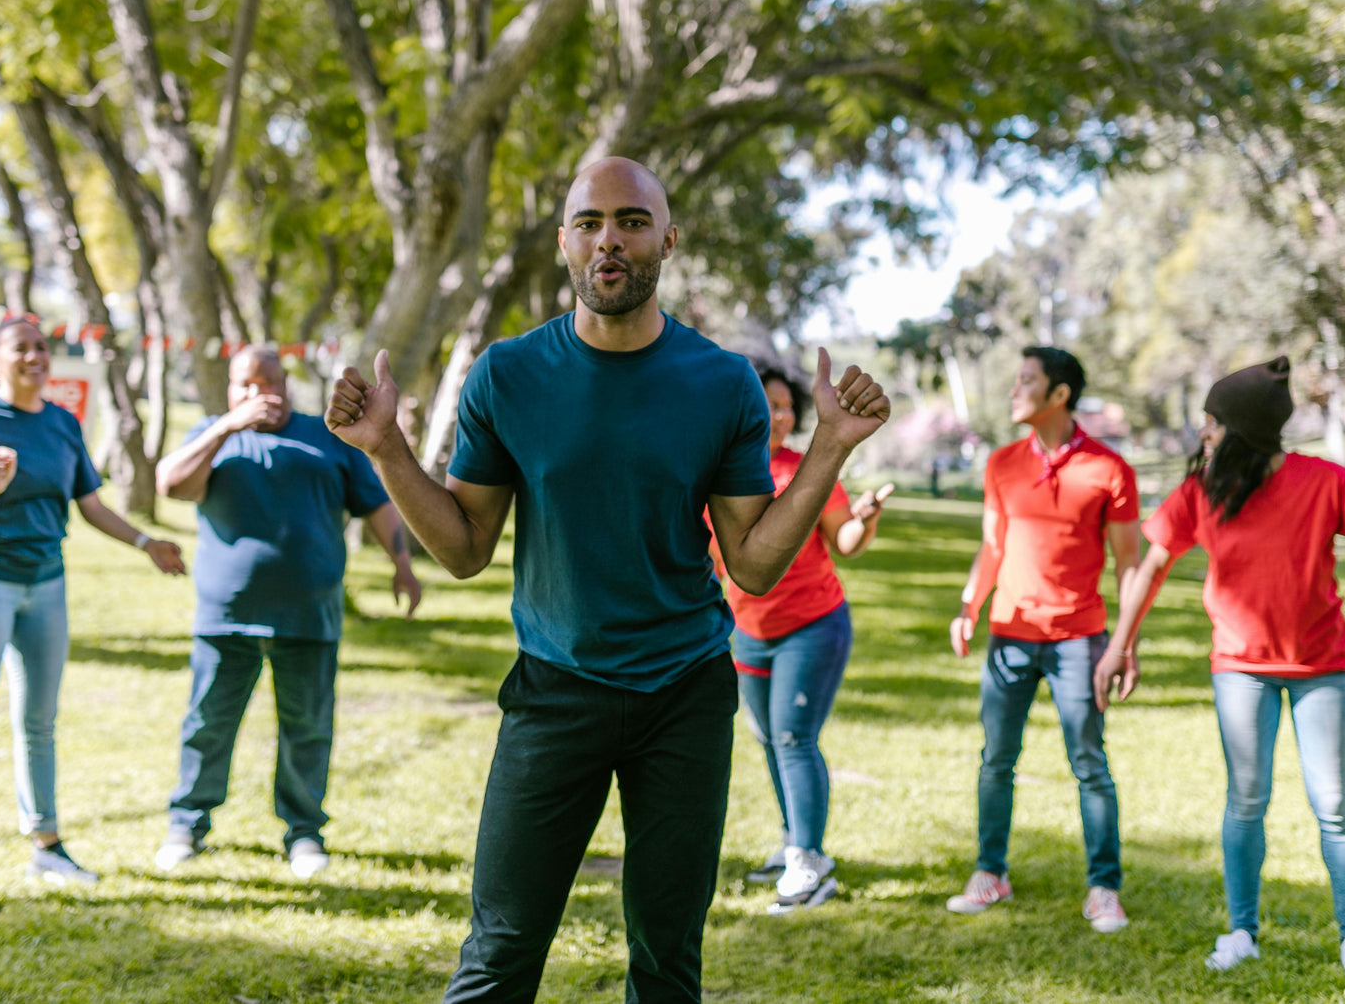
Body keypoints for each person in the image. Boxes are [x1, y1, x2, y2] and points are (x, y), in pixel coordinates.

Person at [324, 157, 890, 1003]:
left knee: (667, 955)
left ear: (668, 238)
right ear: (564, 242)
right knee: (502, 945)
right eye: (589, 222)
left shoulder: (722, 381)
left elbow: (753, 563)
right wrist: (386, 448)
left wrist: (832, 446)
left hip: (685, 695)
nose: (609, 239)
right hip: (555, 692)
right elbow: (466, 545)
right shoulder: (508, 375)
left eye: (631, 220)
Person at [1094, 356, 1345, 981]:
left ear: (1242, 428)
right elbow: (1150, 568)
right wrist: (1119, 645)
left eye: (1212, 423)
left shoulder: (1325, 482)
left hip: (1323, 667)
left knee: (1334, 806)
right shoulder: (1201, 491)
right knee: (1245, 800)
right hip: (1240, 669)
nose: (1204, 435)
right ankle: (1241, 929)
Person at [0, 317, 185, 921]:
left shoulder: (63, 422)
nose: (36, 357)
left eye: (43, 348)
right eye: (22, 349)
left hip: (46, 584)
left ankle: (46, 847)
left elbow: (90, 504)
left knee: (39, 722)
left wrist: (146, 541)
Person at [153, 345, 421, 878]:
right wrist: (228, 426)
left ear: (287, 386)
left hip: (309, 614)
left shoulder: (326, 436)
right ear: (229, 389)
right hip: (226, 615)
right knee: (208, 723)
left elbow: (375, 503)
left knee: (307, 727)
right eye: (245, 385)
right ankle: (188, 823)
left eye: (269, 383)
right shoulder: (213, 435)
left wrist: (402, 562)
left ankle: (304, 832)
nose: (259, 395)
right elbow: (172, 484)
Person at [945, 346, 1140, 933]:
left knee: (1089, 763)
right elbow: (992, 545)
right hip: (1009, 635)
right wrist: (968, 607)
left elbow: (1130, 561)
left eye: (1026, 380)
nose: (1014, 389)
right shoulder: (1001, 463)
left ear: (1059, 394)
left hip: (1080, 640)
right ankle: (990, 873)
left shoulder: (1110, 469)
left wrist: (1125, 644)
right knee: (996, 760)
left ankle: (1104, 887)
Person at [723, 364, 891, 913]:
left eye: (786, 405)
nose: (780, 415)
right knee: (770, 738)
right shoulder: (718, 469)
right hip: (748, 628)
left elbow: (842, 540)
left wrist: (863, 519)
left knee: (793, 737)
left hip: (812, 623)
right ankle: (793, 840)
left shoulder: (807, 467)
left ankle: (810, 860)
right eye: (768, 404)